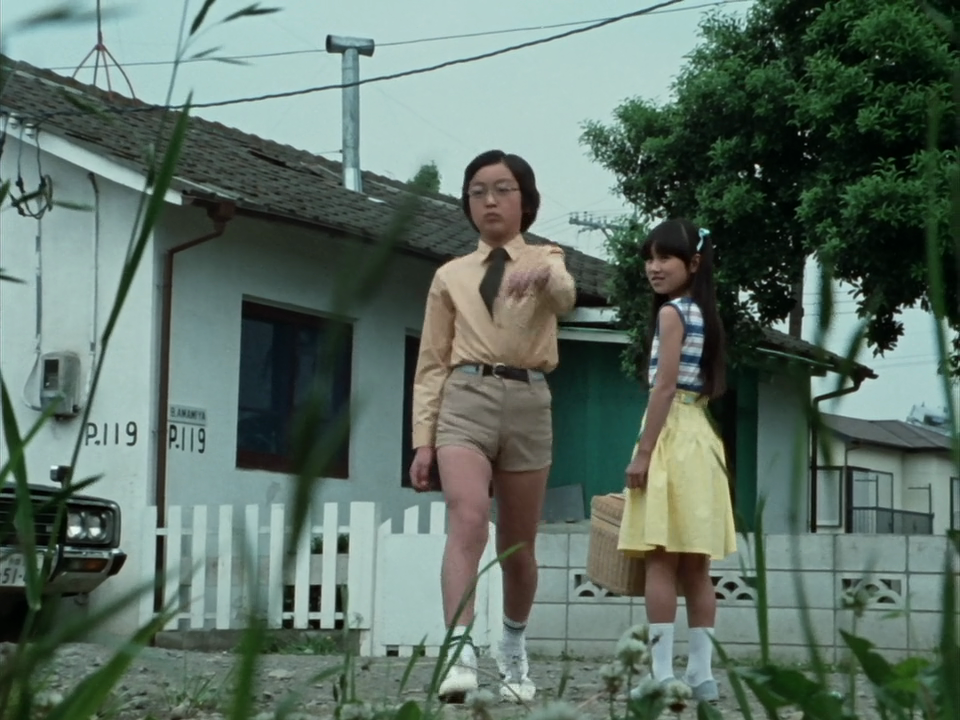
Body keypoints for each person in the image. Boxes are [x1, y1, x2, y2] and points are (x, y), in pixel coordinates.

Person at [408, 149, 576, 704]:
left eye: (503, 189)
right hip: (465, 397)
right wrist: (423, 440)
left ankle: (512, 647)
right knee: (468, 521)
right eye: (478, 191)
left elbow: (566, 299)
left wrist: (542, 269)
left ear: (525, 201)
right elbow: (432, 362)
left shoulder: (546, 257)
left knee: (518, 545)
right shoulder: (450, 275)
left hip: (529, 399)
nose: (490, 201)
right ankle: (459, 653)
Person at [617, 218, 737, 703]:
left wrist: (644, 451)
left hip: (671, 436)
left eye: (665, 258)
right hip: (702, 438)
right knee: (697, 567)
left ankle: (661, 674)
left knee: (661, 563)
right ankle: (702, 676)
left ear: (693, 263)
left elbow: (663, 388)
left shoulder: (671, 314)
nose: (654, 267)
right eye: (650, 258)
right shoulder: (704, 314)